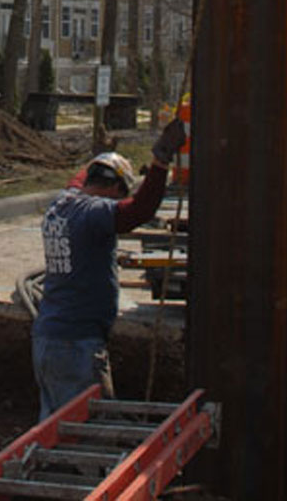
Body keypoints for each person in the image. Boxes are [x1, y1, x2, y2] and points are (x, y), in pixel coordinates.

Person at [31, 117, 186, 419]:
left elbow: (81, 178)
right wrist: (160, 159)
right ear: (115, 188)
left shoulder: (59, 206)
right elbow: (139, 210)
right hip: (76, 346)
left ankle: (55, 466)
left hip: (49, 341)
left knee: (54, 427)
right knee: (85, 431)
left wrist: (105, 157)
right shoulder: (93, 213)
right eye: (121, 194)